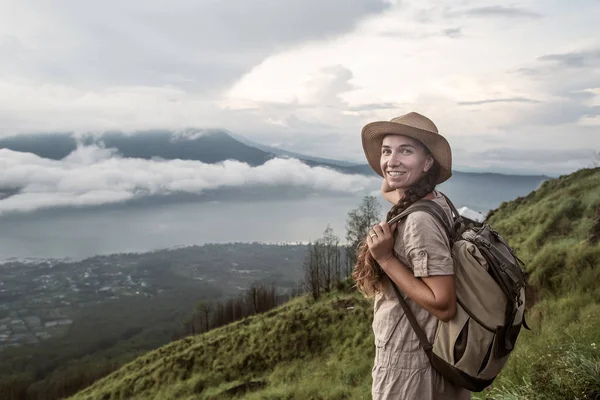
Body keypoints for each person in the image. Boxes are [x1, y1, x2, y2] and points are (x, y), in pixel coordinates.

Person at [352, 112, 471, 400]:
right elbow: (387, 187)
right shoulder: (433, 201)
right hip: (435, 359)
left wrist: (385, 259)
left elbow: (444, 305)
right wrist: (396, 170)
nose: (391, 160)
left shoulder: (419, 220)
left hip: (412, 367)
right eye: (386, 151)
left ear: (428, 161)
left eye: (406, 150)